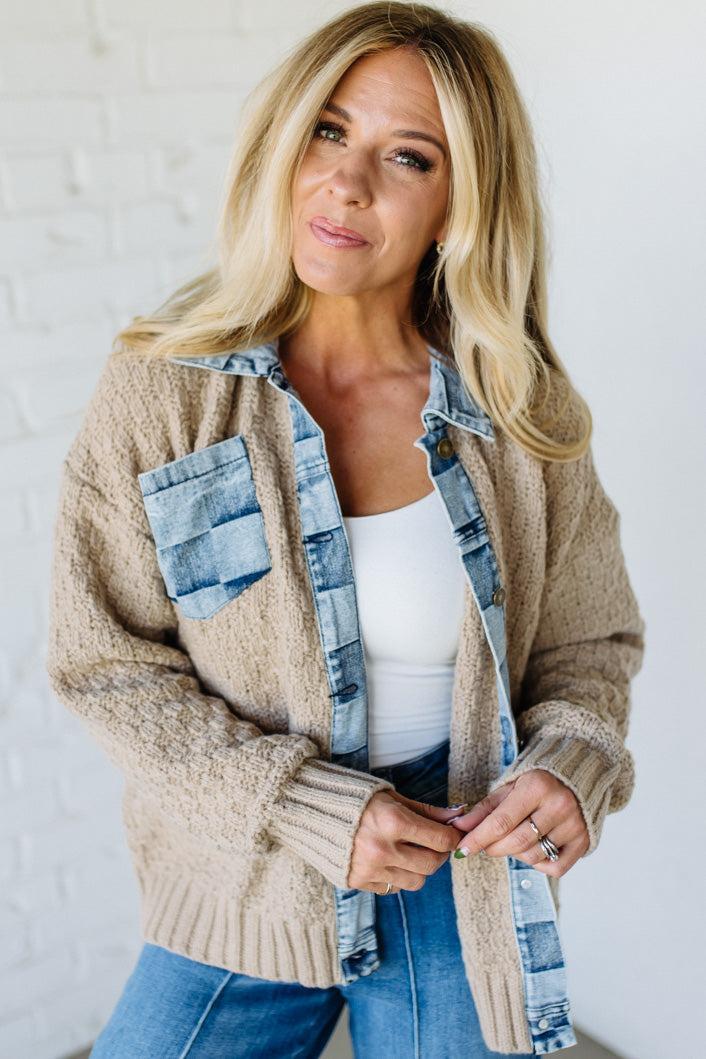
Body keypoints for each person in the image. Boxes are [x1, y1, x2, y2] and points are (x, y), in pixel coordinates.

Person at [45, 3, 646, 1057]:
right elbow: (108, 665)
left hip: (460, 876)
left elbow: (588, 648)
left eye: (406, 156)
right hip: (247, 874)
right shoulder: (163, 389)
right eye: (328, 130)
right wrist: (305, 806)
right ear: (284, 141)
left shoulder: (518, 408)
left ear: (458, 203)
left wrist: (571, 764)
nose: (348, 181)